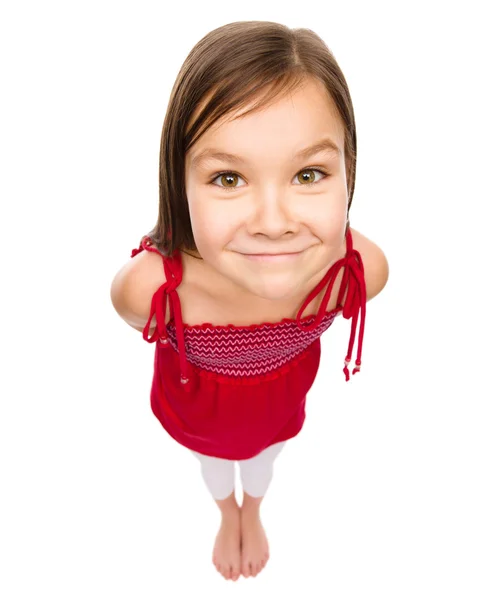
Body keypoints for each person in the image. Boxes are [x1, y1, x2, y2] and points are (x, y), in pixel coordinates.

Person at [110, 20, 389, 582]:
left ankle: (253, 510)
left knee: (264, 462)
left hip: (278, 407)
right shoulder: (150, 291)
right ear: (178, 182)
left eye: (308, 174)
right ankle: (225, 511)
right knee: (214, 466)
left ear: (349, 175)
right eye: (229, 178)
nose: (272, 223)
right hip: (198, 409)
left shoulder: (357, 275)